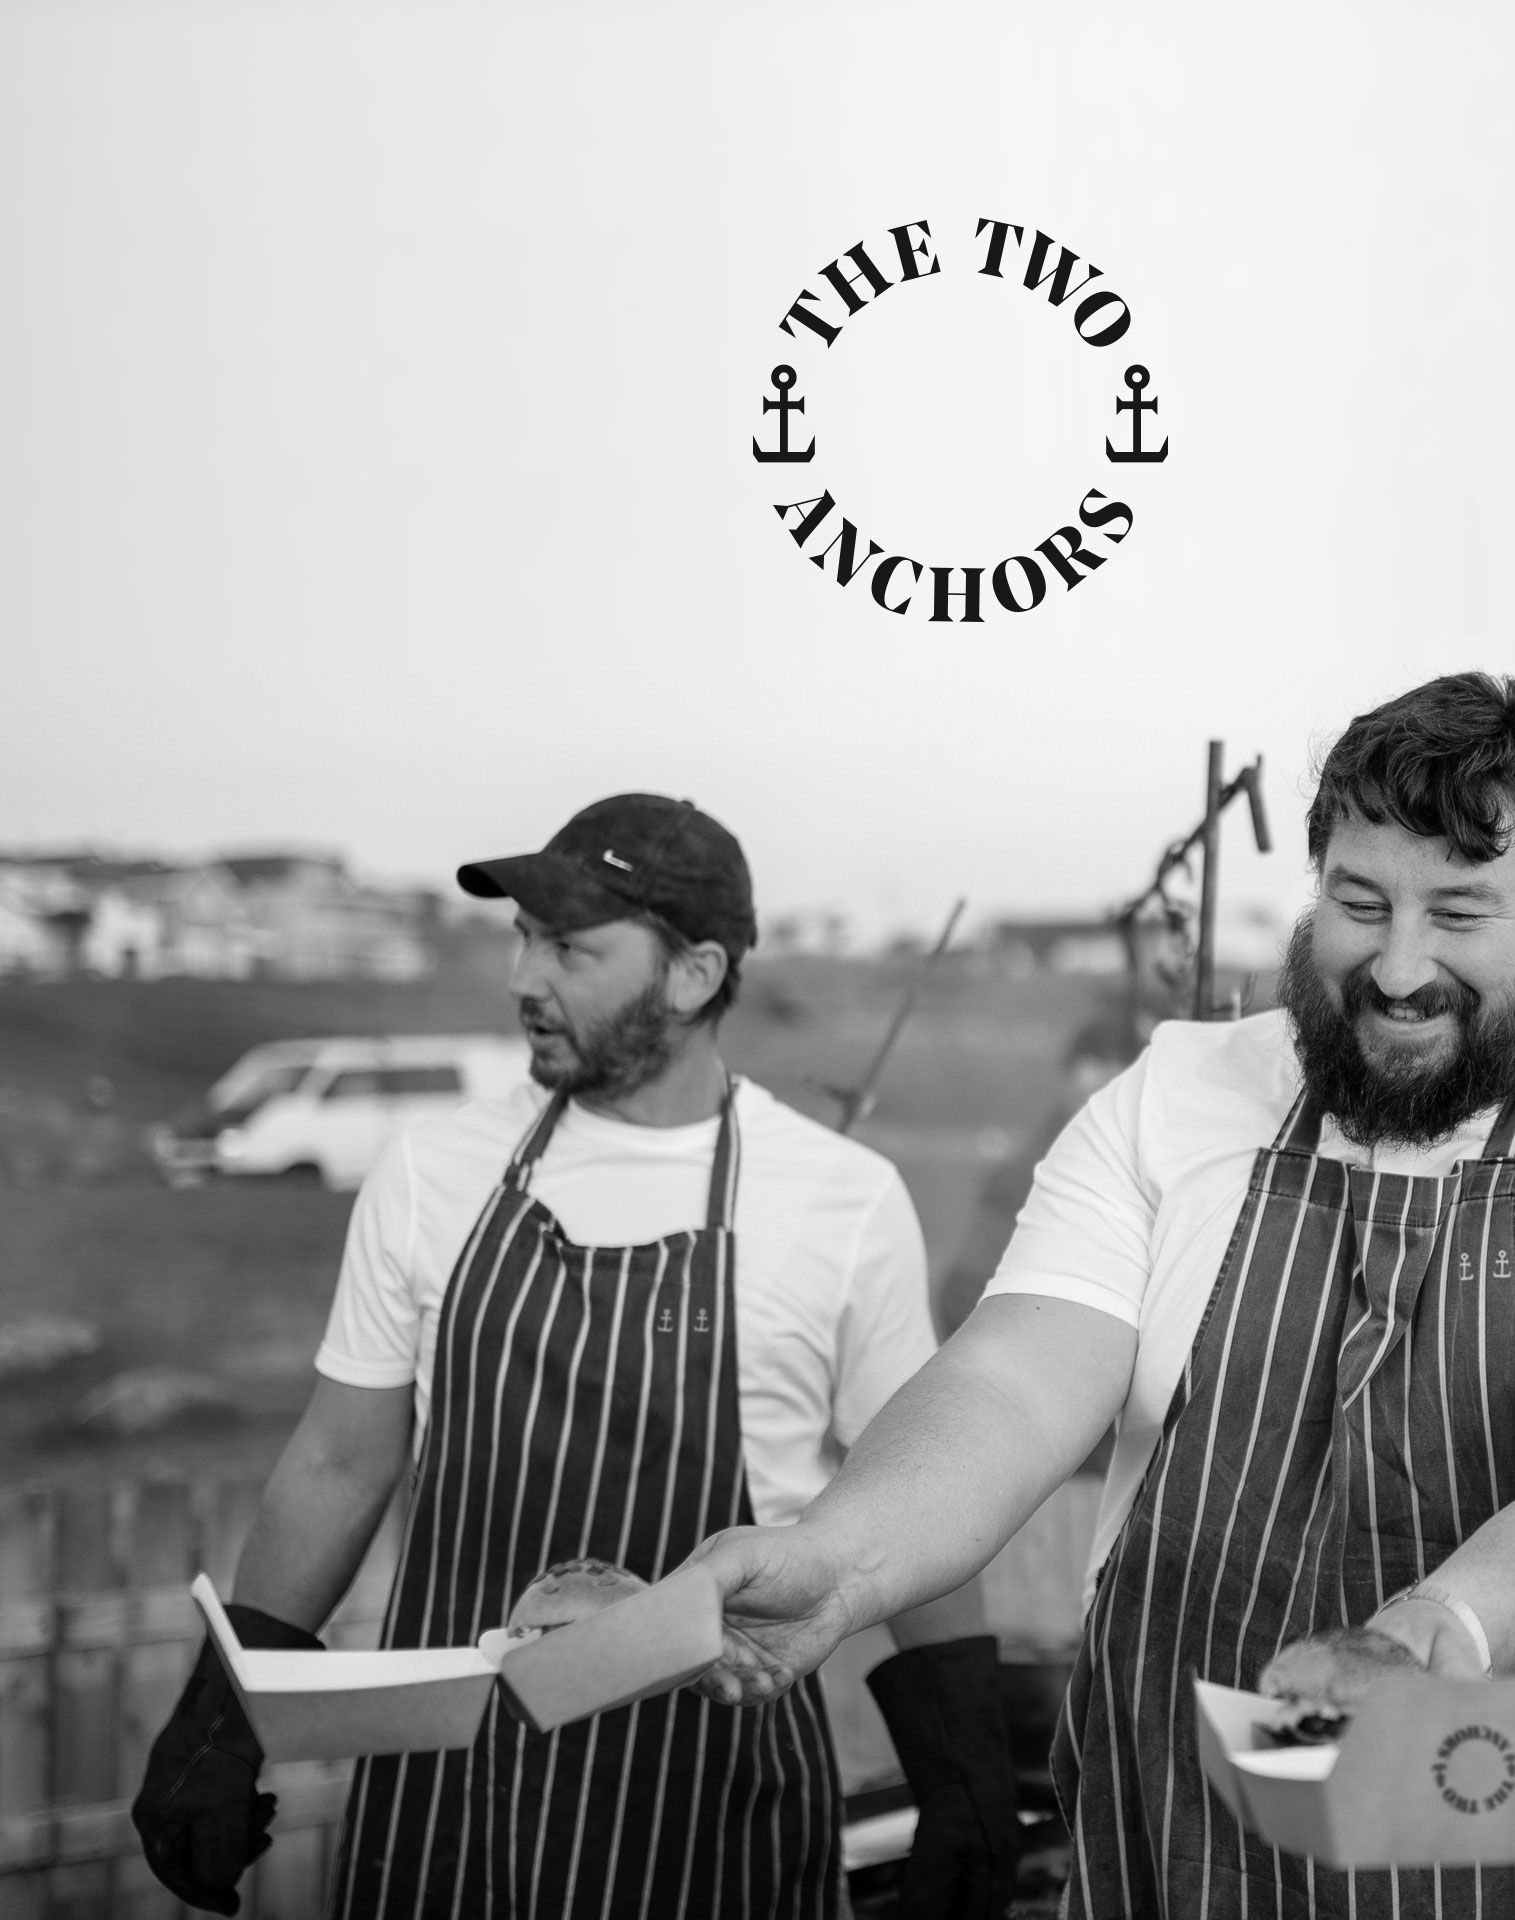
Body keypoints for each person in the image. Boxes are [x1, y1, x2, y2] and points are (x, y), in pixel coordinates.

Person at [689, 673, 1515, 1920]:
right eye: (1360, 903)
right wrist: (838, 1562)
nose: (1399, 966)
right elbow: (1010, 1383)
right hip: (1190, 1850)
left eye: (1460, 913)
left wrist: (1429, 1639)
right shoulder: (1173, 1106)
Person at [133, 794, 1021, 1919]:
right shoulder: (433, 1172)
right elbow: (338, 1464)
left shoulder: (839, 1200)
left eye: (570, 949)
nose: (522, 980)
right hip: (444, 1813)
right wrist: (222, 1715)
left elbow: (918, 1488)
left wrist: (963, 1774)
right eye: (522, 938)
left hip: (715, 1821)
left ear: (696, 974)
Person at [934, 1011, 1141, 1342]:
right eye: (1098, 1067)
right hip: (987, 1309)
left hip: (986, 1306)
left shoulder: (1063, 1137)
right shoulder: (1061, 1148)